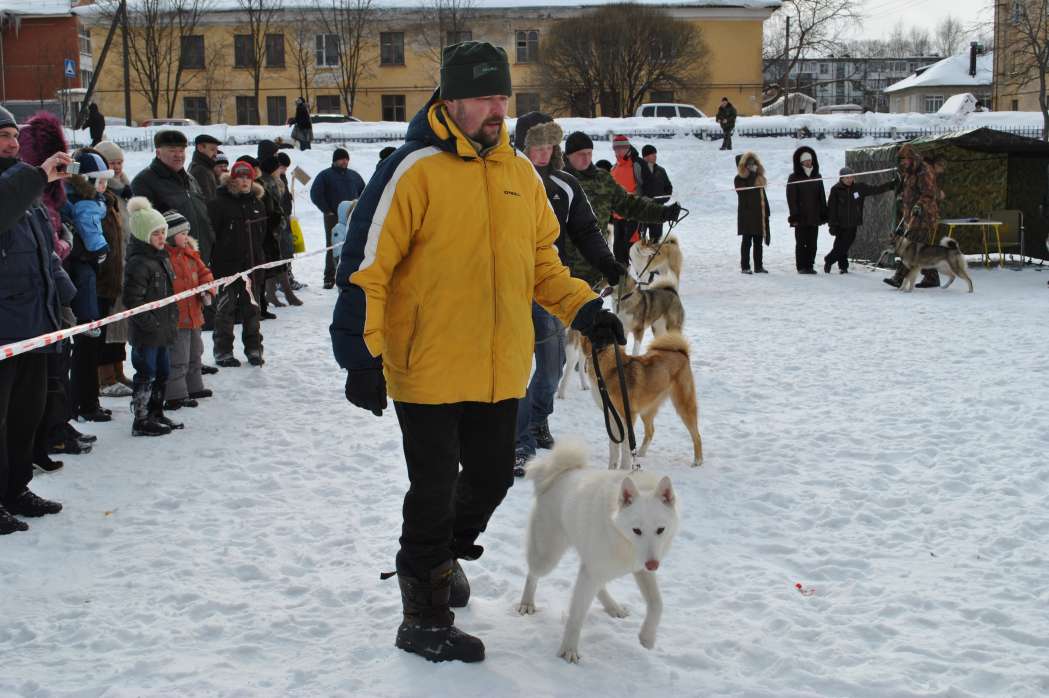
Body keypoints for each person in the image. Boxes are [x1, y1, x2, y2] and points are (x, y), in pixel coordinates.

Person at [329, 40, 625, 664]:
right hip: (427, 366)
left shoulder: (518, 174)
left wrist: (585, 310)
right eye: (486, 98)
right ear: (452, 100)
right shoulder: (412, 170)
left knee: (490, 479)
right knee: (433, 490)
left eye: (503, 98)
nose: (498, 110)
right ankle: (423, 615)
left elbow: (543, 264)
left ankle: (439, 558)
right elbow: (364, 268)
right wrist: (359, 354)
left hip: (499, 366)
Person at [511, 112, 625, 475]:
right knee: (513, 369)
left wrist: (608, 264)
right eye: (536, 145)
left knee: (552, 366)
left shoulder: (564, 184)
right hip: (510, 289)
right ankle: (517, 442)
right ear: (522, 145)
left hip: (549, 286)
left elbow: (586, 230)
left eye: (549, 145)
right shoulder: (503, 179)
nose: (544, 152)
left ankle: (537, 420)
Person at [0, 105, 76, 532]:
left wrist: (64, 295)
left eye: (14, 135)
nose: (12, 143)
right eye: (2, 136)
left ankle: (16, 489)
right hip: (3, 327)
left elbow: (45, 253)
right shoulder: (20, 185)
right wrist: (36, 175)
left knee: (27, 413)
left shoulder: (24, 187)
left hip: (33, 321)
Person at [561, 131, 680, 282]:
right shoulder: (558, 180)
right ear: (569, 155)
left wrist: (663, 213)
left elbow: (629, 205)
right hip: (564, 269)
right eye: (581, 154)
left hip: (597, 266)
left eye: (589, 153)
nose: (586, 158)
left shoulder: (602, 179)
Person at [63, 150, 114, 424]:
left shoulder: (99, 200)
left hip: (102, 279)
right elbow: (90, 234)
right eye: (100, 180)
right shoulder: (82, 204)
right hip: (87, 277)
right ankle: (81, 403)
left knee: (92, 347)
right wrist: (97, 251)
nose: (105, 185)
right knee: (84, 346)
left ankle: (88, 400)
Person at [123, 197, 181, 436]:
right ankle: (141, 418)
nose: (161, 237)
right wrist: (151, 324)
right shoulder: (138, 263)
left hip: (163, 330)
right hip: (147, 333)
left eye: (163, 232)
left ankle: (156, 412)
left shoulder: (162, 258)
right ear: (142, 235)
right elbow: (132, 301)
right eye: (155, 233)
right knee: (146, 373)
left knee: (163, 372)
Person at [209, 160, 268, 367]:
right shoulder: (219, 203)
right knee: (225, 310)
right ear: (232, 179)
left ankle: (254, 348)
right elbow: (212, 235)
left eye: (247, 177)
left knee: (252, 310)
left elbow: (262, 235)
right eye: (240, 177)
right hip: (226, 267)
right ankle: (223, 351)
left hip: (252, 266)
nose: (244, 181)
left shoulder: (258, 204)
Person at [131, 130, 215, 266]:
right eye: (172, 150)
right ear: (158, 153)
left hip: (199, 258)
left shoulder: (190, 179)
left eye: (181, 150)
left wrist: (210, 239)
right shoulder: (144, 181)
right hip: (171, 262)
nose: (178, 155)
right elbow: (143, 229)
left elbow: (203, 214)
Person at [162, 210, 216, 410]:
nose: (186, 237)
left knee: (195, 353)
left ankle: (194, 387)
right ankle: (175, 394)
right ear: (170, 235)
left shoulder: (190, 254)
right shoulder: (165, 258)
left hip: (194, 314)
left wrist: (207, 290)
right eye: (182, 233)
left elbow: (205, 274)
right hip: (177, 318)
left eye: (187, 233)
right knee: (178, 357)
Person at [93, 141, 134, 396]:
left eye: (120, 162)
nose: (117, 167)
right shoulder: (99, 192)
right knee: (106, 324)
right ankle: (104, 376)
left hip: (124, 263)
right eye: (112, 163)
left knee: (121, 321)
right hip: (106, 268)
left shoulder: (124, 189)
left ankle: (118, 371)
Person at [884, 144, 942, 289]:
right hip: (911, 216)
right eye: (901, 160)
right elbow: (908, 190)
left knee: (910, 247)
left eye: (904, 159)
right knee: (922, 250)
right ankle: (932, 278)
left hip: (924, 216)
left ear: (911, 158)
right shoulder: (909, 172)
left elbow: (929, 193)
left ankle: (899, 278)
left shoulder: (924, 171)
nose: (902, 162)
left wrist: (919, 205)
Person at [310, 147, 365, 289]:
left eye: (346, 159)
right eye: (341, 159)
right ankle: (329, 277)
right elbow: (315, 194)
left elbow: (364, 192)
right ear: (335, 160)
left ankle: (351, 276)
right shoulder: (325, 175)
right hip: (333, 217)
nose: (344, 161)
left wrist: (359, 208)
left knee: (353, 246)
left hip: (352, 216)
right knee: (333, 247)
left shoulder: (354, 175)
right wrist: (327, 210)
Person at [825, 166, 895, 274]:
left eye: (851, 177)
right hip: (839, 223)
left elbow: (875, 189)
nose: (849, 180)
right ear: (841, 178)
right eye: (847, 178)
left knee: (844, 245)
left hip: (852, 223)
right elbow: (831, 208)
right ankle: (837, 264)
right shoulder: (836, 190)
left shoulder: (859, 188)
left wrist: (890, 185)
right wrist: (832, 225)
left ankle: (833, 262)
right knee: (840, 246)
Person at [258, 154, 302, 307]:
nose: (282, 171)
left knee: (279, 260)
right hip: (273, 228)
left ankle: (275, 294)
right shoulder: (268, 183)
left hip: (279, 225)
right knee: (275, 261)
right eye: (280, 168)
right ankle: (283, 294)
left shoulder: (276, 181)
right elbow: (272, 207)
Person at [785, 146, 828, 274]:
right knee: (801, 242)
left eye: (809, 160)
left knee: (812, 242)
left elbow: (822, 196)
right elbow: (791, 198)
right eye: (805, 160)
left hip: (814, 215)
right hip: (801, 216)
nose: (808, 162)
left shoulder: (817, 176)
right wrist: (794, 215)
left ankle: (810, 265)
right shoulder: (794, 177)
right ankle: (801, 266)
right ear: (800, 162)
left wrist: (823, 212)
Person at [609, 134, 647, 263]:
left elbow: (648, 187)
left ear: (628, 148)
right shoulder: (614, 168)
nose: (619, 151)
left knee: (634, 251)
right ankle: (623, 275)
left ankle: (644, 273)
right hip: (617, 217)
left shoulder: (636, 165)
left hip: (633, 216)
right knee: (618, 251)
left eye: (622, 148)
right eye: (616, 148)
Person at [734, 151, 770, 274]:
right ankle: (745, 266)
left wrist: (767, 211)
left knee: (758, 242)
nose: (752, 166)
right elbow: (742, 192)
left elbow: (763, 197)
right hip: (747, 215)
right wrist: (751, 175)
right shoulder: (739, 178)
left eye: (753, 163)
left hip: (759, 215)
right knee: (747, 242)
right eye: (749, 164)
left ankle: (759, 266)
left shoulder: (759, 178)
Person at [639, 144, 674, 243]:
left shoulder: (661, 170)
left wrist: (663, 199)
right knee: (639, 240)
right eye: (652, 154)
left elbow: (668, 187)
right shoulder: (638, 169)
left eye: (655, 154)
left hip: (657, 210)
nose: (655, 156)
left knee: (656, 240)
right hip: (641, 211)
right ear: (645, 156)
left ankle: (655, 254)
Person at [188, 134, 222, 205]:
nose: (216, 154)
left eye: (216, 150)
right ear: (200, 148)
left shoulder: (205, 167)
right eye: (212, 149)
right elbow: (207, 201)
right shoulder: (201, 170)